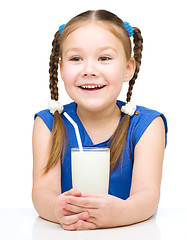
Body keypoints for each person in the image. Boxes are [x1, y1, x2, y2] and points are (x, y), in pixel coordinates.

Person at [32, 9, 168, 230]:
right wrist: (57, 209)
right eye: (76, 59)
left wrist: (122, 213)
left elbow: (147, 194)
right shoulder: (48, 123)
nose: (89, 70)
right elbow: (42, 191)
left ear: (127, 69)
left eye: (104, 58)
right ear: (62, 69)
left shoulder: (148, 125)